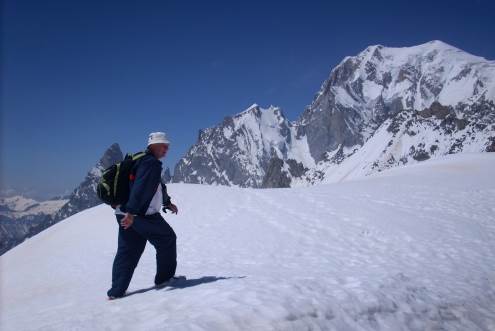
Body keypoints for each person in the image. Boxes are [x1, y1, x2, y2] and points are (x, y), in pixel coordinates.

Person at [107, 132, 179, 299]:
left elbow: (156, 186)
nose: (166, 149)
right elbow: (141, 188)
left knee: (128, 252)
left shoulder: (141, 160)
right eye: (163, 145)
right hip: (139, 214)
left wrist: (166, 202)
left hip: (124, 212)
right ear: (153, 146)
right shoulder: (150, 163)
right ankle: (165, 279)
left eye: (167, 145)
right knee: (167, 239)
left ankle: (116, 292)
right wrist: (132, 213)